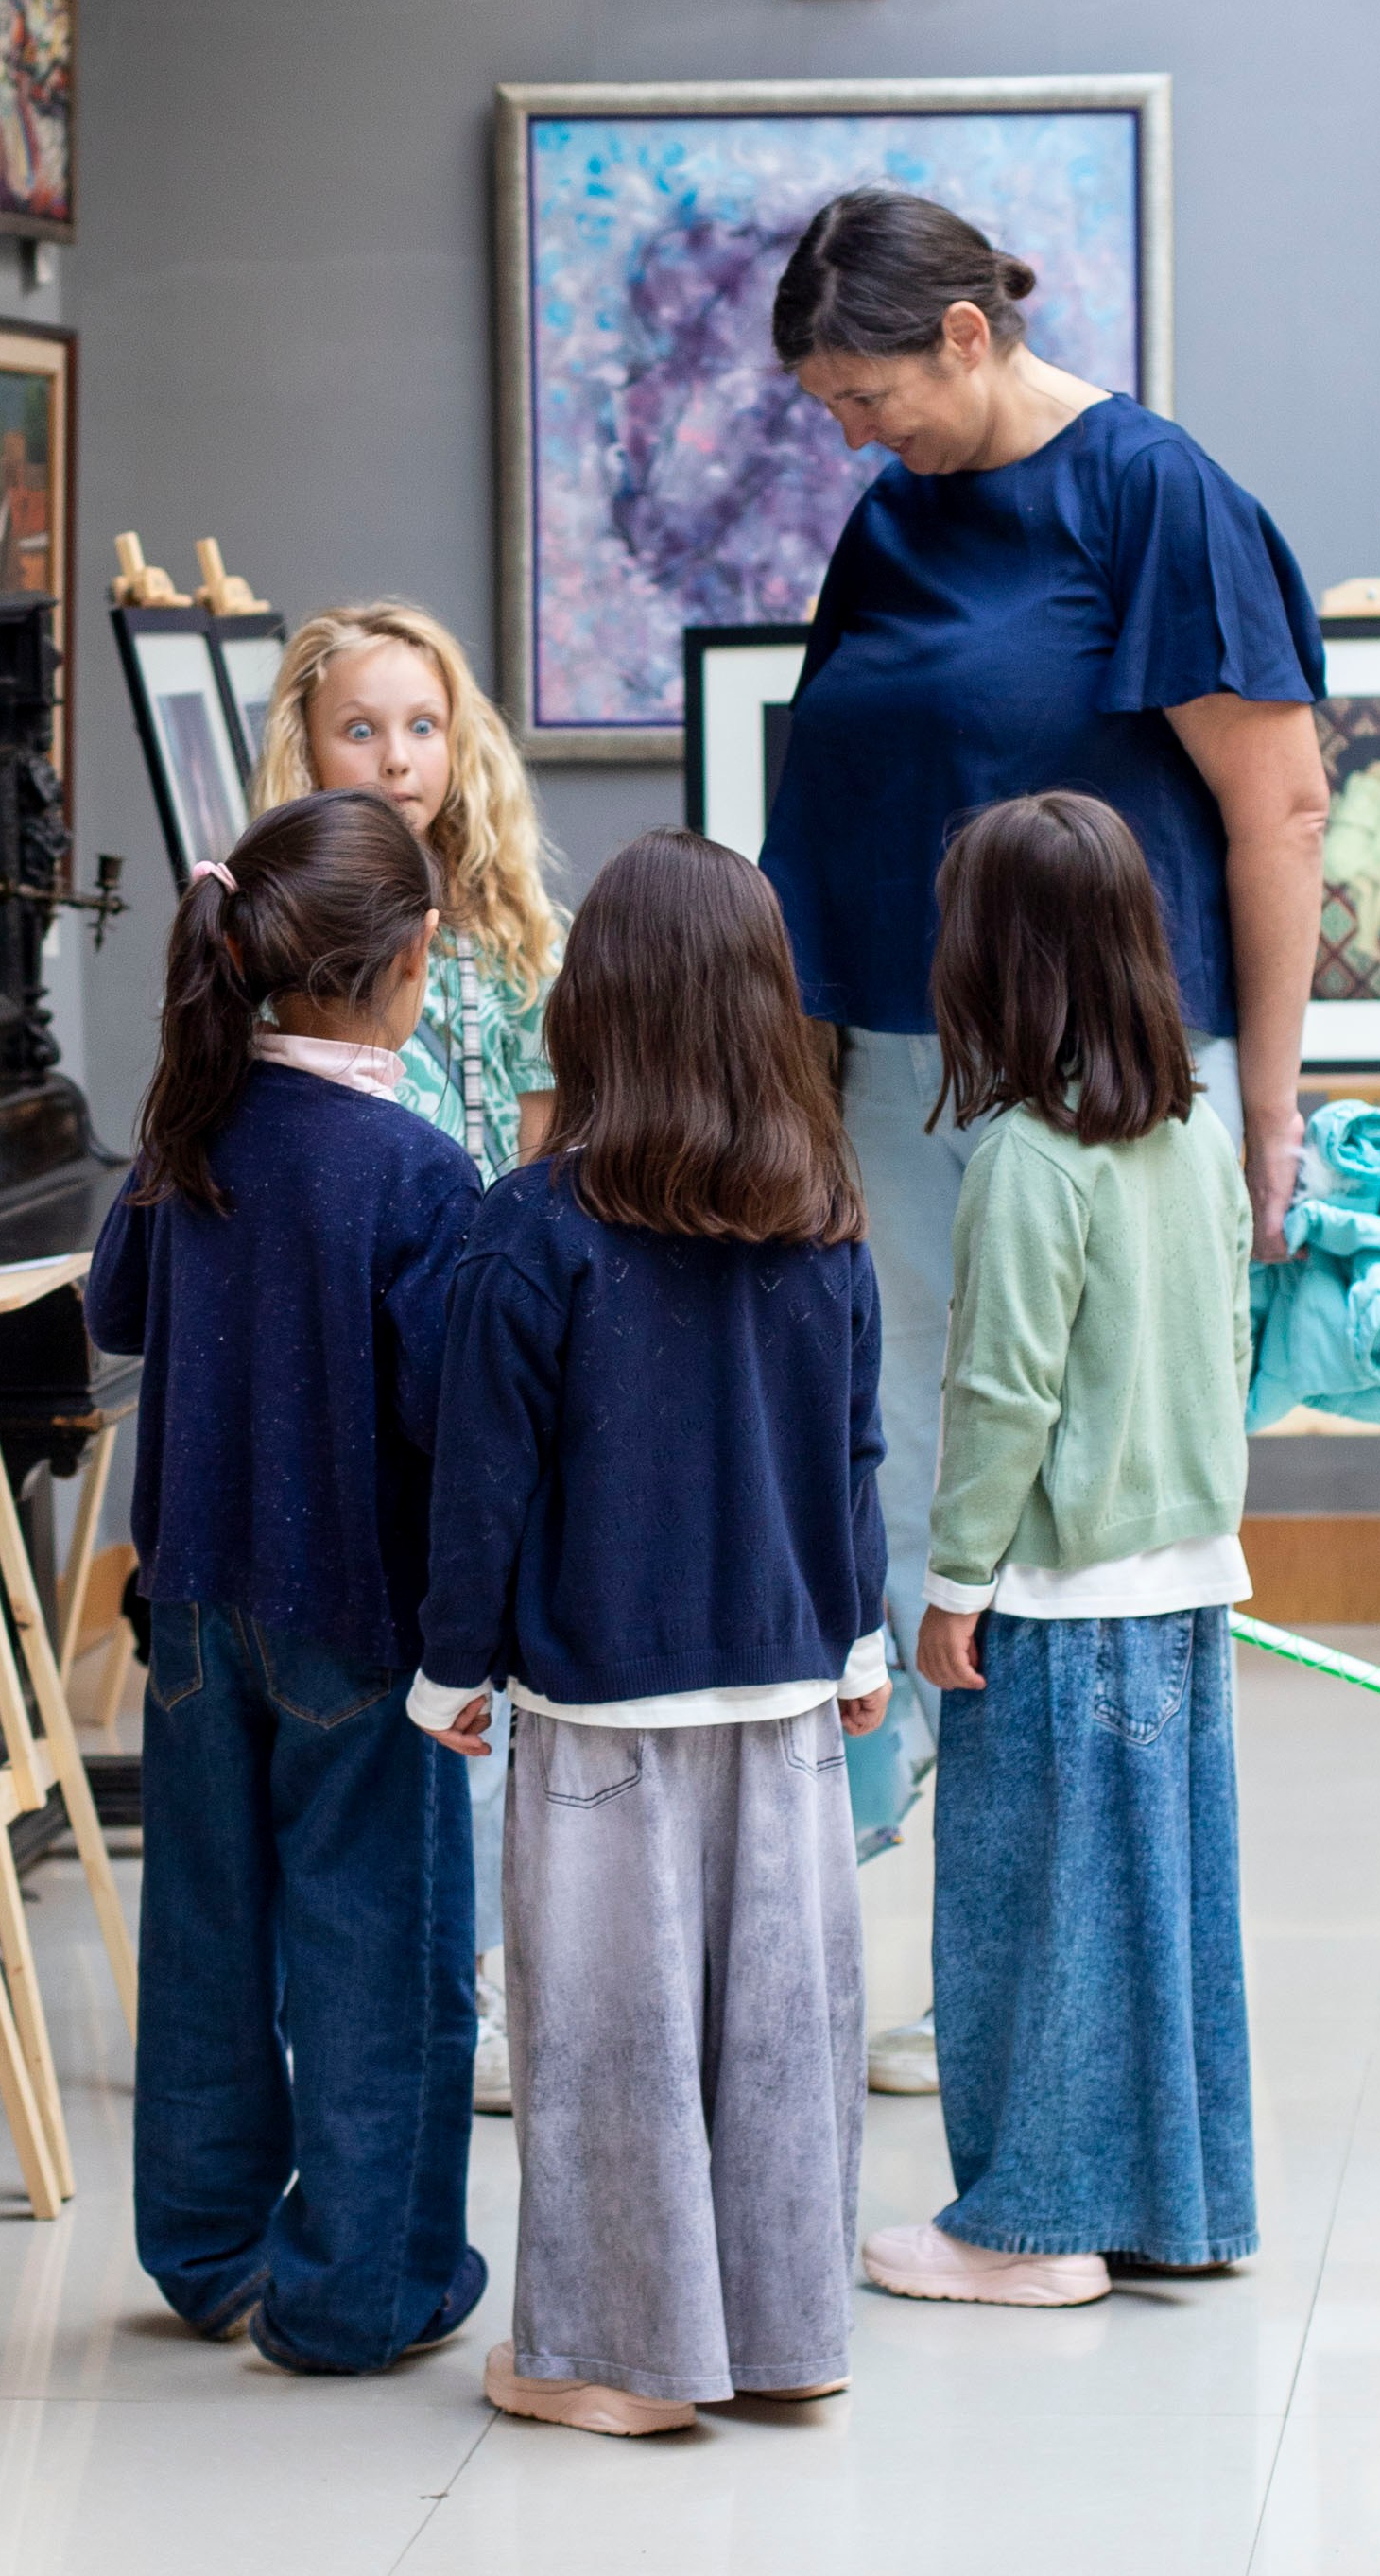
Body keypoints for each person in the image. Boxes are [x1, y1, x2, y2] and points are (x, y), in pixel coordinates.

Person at [762, 187, 1326, 2082]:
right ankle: (825, 1939)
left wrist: (1266, 1110)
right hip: (897, 1080)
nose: (852, 431)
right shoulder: (892, 512)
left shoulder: (1143, 492)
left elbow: (1280, 806)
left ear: (966, 334)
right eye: (825, 405)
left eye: (866, 393)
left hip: (1094, 1102)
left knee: (1041, 1537)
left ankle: (1012, 1973)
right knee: (892, 1501)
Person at [411, 829, 890, 2436]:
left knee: (606, 2038)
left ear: (587, 1005)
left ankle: (619, 2356)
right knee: (783, 2030)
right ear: (768, 1005)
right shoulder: (825, 1222)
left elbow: (484, 1483)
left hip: (601, 1708)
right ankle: (785, 2330)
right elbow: (852, 1456)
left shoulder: (528, 1228)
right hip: (786, 1693)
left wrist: (448, 1669)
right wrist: (862, 1642)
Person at [84, 788, 486, 2376]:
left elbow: (119, 1314)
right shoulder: (411, 1169)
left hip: (188, 1602)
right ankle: (357, 2290)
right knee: (372, 1944)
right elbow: (443, 1420)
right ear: (412, 961)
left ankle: (203, 2250)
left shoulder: (191, 1122)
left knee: (204, 1926)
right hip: (354, 1622)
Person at [862, 793, 1255, 2309]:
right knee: (1162, 1911)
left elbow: (1002, 1391)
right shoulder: (1193, 1134)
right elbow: (1227, 1344)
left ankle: (1031, 2220)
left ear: (996, 964)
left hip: (1045, 1600)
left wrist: (951, 1584)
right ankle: (1181, 2201)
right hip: (1181, 1586)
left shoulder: (1030, 1158)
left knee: (1027, 1918)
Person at [254, 600, 563, 2114]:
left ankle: (478, 1976)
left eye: (421, 726)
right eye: (359, 728)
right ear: (306, 744)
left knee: (468, 1666)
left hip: (460, 1350)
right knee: (335, 1686)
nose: (394, 757)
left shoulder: (510, 952)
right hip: (319, 1357)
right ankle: (343, 1982)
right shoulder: (267, 927)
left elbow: (539, 1158)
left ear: (464, 742)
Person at [1320, 735, 1380, 982]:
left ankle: (1366, 940)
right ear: (1373, 764)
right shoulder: (1371, 785)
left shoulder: (1355, 780)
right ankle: (1368, 938)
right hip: (1349, 844)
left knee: (1365, 889)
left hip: (1350, 842)